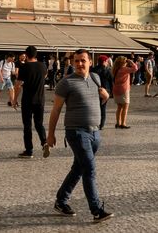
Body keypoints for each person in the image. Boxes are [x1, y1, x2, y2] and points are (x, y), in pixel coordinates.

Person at [47, 49, 113, 222]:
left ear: (90, 62)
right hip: (76, 132)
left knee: (79, 168)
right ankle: (96, 210)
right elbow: (56, 110)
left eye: (83, 60)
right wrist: (51, 134)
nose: (79, 64)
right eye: (76, 61)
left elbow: (97, 101)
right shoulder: (66, 83)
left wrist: (106, 97)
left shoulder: (95, 78)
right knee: (89, 169)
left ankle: (61, 201)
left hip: (95, 132)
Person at [14, 45, 48, 158]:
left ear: (26, 54)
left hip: (28, 100)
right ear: (36, 54)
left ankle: (29, 150)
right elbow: (44, 76)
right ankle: (44, 142)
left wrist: (14, 99)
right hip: (40, 99)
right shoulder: (43, 66)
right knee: (39, 124)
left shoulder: (25, 67)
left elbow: (18, 85)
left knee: (27, 125)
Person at [111, 56, 137, 129]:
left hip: (116, 90)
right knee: (125, 107)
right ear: (122, 63)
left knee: (119, 107)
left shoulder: (115, 69)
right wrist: (131, 62)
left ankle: (118, 123)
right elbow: (135, 68)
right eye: (125, 62)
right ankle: (123, 123)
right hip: (123, 90)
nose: (126, 63)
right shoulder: (123, 69)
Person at [94, 56, 114, 130]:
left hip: (95, 91)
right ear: (105, 61)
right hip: (105, 92)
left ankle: (95, 123)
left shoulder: (93, 70)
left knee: (95, 108)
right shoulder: (108, 70)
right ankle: (101, 125)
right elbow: (111, 83)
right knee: (103, 108)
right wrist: (112, 93)